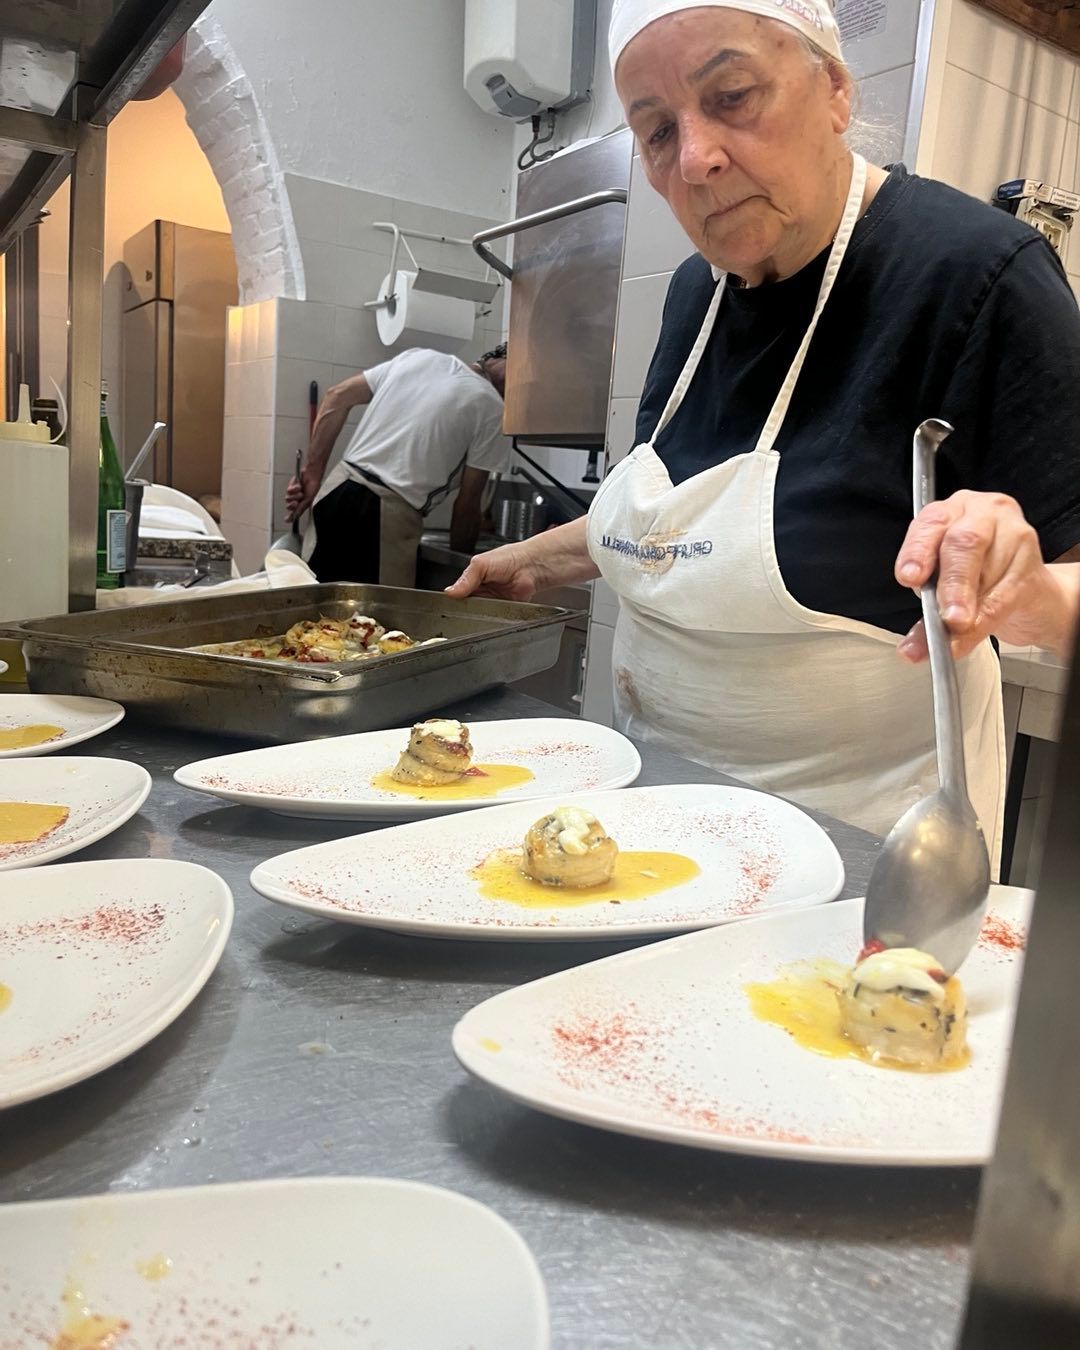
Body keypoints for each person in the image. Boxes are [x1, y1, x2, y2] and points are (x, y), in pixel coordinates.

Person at [448, 0, 1080, 863]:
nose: (698, 158)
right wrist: (537, 557)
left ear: (834, 92)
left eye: (734, 95)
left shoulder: (976, 276)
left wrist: (1026, 592)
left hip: (855, 876)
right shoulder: (693, 294)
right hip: (651, 838)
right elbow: (686, 529)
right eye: (658, 132)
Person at [286, 344, 509, 587]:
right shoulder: (494, 409)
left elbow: (337, 396)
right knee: (380, 620)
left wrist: (313, 474)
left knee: (311, 603)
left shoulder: (420, 358)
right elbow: (467, 506)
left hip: (334, 491)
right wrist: (466, 574)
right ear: (503, 359)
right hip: (385, 515)